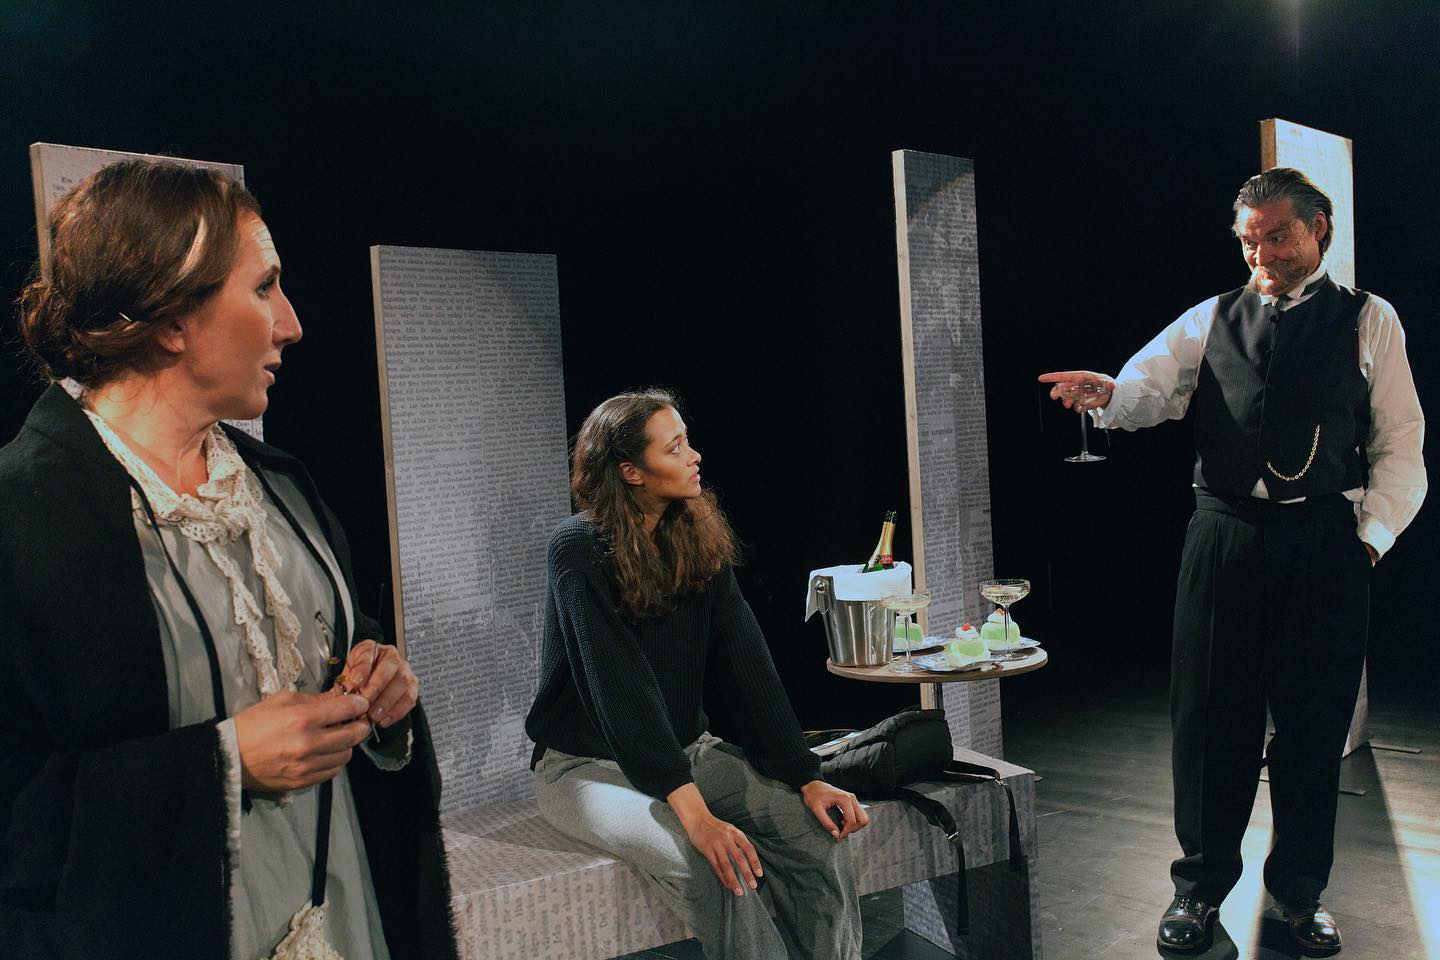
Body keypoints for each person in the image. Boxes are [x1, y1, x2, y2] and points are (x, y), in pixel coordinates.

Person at [0, 160, 457, 959]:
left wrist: (382, 686)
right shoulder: (20, 516)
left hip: (347, 918)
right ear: (172, 317)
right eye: (264, 287)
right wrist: (222, 764)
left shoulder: (282, 487)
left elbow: (341, 643)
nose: (292, 324)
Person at [1041, 167, 1425, 954]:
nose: (1262, 256)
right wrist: (1108, 394)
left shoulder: (1370, 319)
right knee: (1210, 722)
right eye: (1250, 242)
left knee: (1313, 728)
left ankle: (1298, 897)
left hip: (1324, 537)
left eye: (1277, 237)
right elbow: (1149, 388)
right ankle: (1198, 890)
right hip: (1223, 533)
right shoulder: (1212, 316)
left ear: (1319, 230)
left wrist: (1368, 540)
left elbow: (1402, 443)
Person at [525, 389, 867, 959]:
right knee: (716, 866)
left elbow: (748, 663)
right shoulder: (578, 550)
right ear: (631, 471)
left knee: (817, 835)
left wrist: (805, 775)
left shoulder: (695, 536)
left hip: (687, 753)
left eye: (688, 441)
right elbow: (621, 689)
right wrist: (697, 818)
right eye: (675, 447)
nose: (694, 456)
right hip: (585, 769)